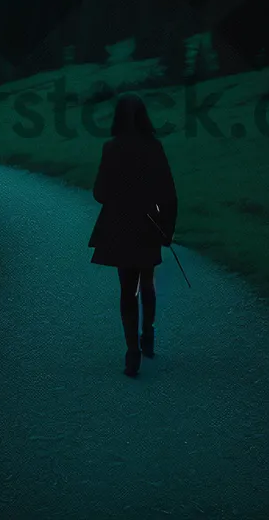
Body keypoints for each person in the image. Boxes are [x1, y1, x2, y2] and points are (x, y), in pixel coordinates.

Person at [88, 93, 179, 377]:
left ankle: (132, 351)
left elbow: (99, 193)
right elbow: (169, 194)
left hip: (119, 227)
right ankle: (147, 334)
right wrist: (167, 229)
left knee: (127, 289)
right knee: (147, 282)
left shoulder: (111, 148)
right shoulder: (155, 147)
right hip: (149, 225)